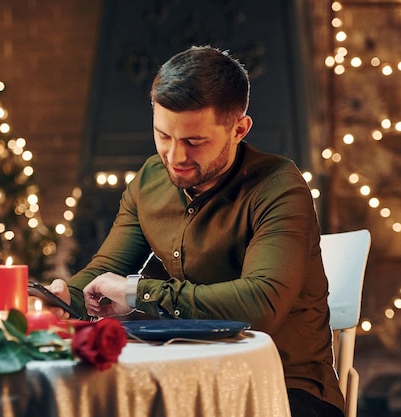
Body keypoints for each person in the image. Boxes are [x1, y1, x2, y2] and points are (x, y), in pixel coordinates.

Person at [47, 45, 344, 417]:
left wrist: (140, 293)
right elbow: (106, 268)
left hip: (283, 388)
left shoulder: (280, 186)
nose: (174, 157)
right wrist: (61, 299)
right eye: (164, 136)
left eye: (194, 141)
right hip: (184, 382)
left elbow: (260, 306)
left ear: (239, 129)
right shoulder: (150, 181)